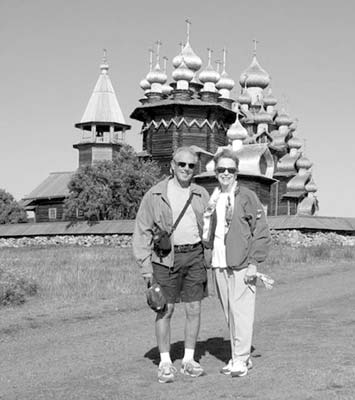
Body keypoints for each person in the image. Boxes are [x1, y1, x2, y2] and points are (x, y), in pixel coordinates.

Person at [133, 146, 209, 384]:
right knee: (165, 310)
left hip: (195, 255)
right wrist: (146, 268)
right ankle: (165, 362)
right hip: (165, 259)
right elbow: (142, 231)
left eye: (191, 165)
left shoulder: (201, 194)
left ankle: (188, 360)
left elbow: (211, 226)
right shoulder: (155, 194)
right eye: (182, 164)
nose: (186, 169)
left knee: (194, 309)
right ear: (172, 166)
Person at [202, 148, 271, 377]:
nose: (225, 173)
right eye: (221, 169)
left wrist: (254, 262)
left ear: (237, 172)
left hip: (241, 263)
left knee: (241, 312)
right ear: (215, 171)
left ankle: (240, 359)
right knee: (229, 312)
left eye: (230, 170)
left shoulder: (246, 196)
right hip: (219, 263)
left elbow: (260, 231)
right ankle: (240, 356)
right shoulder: (214, 197)